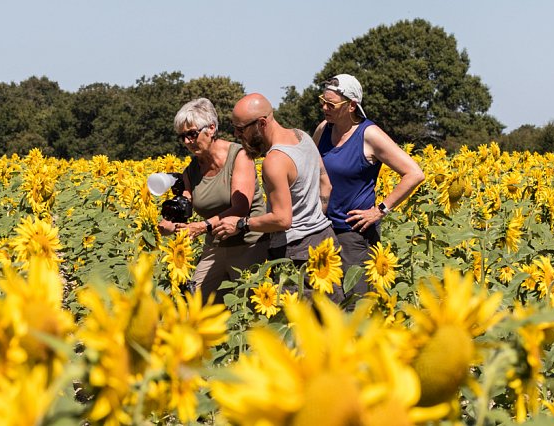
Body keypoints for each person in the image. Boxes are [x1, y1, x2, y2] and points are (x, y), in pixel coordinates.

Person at [213, 94, 340, 301]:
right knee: (332, 319)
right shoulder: (303, 137)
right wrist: (313, 220)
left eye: (241, 128)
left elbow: (282, 219)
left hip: (297, 253)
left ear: (262, 123)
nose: (236, 134)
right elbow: (326, 184)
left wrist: (241, 224)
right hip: (325, 239)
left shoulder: (274, 161)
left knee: (296, 326)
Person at [312, 74, 425, 299]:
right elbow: (312, 167)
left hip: (353, 234)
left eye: (331, 104)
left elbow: (414, 173)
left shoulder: (369, 134)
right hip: (321, 229)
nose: (324, 107)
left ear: (352, 105)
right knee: (323, 303)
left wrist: (379, 211)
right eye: (322, 101)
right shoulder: (324, 129)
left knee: (355, 301)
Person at [157, 98, 268, 304]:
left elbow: (240, 207)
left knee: (251, 307)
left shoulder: (240, 155)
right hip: (216, 246)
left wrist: (202, 226)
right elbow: (186, 204)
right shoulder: (192, 170)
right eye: (182, 136)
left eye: (191, 134)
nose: (187, 142)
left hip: (249, 244)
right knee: (196, 303)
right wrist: (170, 224)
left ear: (211, 128)